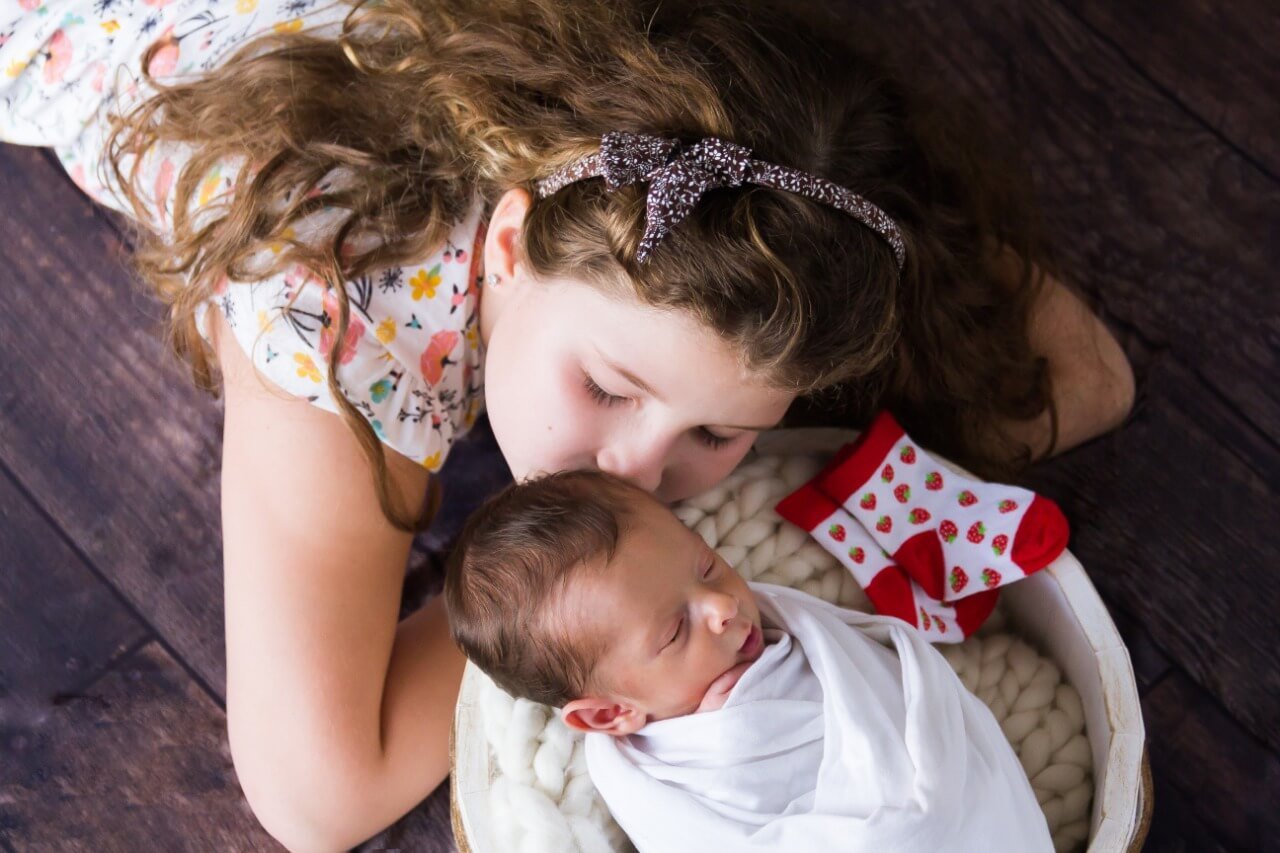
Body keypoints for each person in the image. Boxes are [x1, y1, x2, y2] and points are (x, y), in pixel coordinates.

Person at [0, 0, 1134, 846]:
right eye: (607, 386)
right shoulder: (344, 307)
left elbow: (1085, 379)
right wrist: (582, 594)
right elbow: (316, 788)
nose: (642, 475)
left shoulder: (740, 140)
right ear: (505, 244)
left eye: (718, 432)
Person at [444, 469, 1053, 852]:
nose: (722, 607)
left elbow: (886, 686)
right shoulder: (662, 780)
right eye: (675, 632)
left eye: (706, 565)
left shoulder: (781, 627)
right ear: (608, 715)